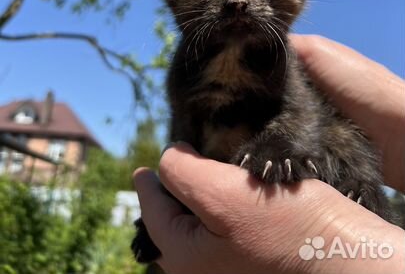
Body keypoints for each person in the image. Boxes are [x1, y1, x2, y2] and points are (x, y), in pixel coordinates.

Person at [134, 35, 405, 274]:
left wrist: (325, 247)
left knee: (341, 139)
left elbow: (305, 119)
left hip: (325, 169)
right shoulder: (185, 74)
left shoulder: (284, 65)